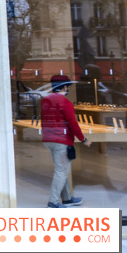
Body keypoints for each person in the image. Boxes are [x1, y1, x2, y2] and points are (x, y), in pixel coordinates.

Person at [41, 75, 92, 208]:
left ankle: (67, 198)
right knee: (61, 171)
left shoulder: (46, 100)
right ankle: (53, 201)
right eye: (67, 87)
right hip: (61, 140)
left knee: (61, 169)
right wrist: (83, 139)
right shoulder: (65, 102)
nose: (67, 89)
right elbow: (72, 123)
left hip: (49, 139)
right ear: (64, 87)